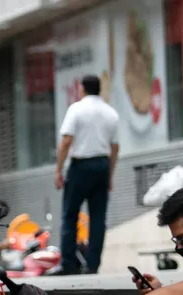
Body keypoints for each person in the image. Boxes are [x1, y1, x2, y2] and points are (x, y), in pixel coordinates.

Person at [55, 74, 119, 274]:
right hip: (102, 165)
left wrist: (58, 169)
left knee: (70, 215)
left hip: (80, 166)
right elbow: (115, 147)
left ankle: (68, 263)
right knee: (98, 217)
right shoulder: (111, 113)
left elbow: (66, 142)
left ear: (82, 88)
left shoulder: (76, 109)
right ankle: (92, 264)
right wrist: (110, 174)